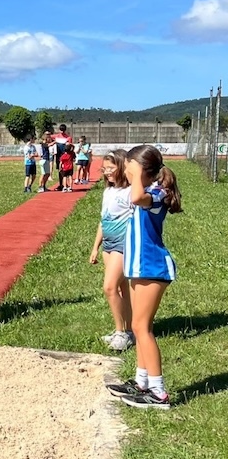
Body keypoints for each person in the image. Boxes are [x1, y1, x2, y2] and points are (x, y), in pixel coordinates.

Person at [106, 144, 182, 410]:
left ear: (142, 170)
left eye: (131, 167)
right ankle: (142, 383)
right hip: (140, 268)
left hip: (153, 268)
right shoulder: (148, 190)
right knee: (139, 328)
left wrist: (136, 173)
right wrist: (131, 171)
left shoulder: (156, 194)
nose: (127, 172)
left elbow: (137, 198)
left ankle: (159, 393)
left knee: (141, 328)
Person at [89, 149, 134, 352]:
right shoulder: (109, 191)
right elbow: (103, 220)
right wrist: (95, 247)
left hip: (123, 245)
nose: (106, 172)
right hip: (108, 244)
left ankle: (121, 332)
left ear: (122, 167)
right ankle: (128, 330)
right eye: (104, 168)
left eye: (111, 168)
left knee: (109, 287)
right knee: (120, 289)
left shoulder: (130, 192)